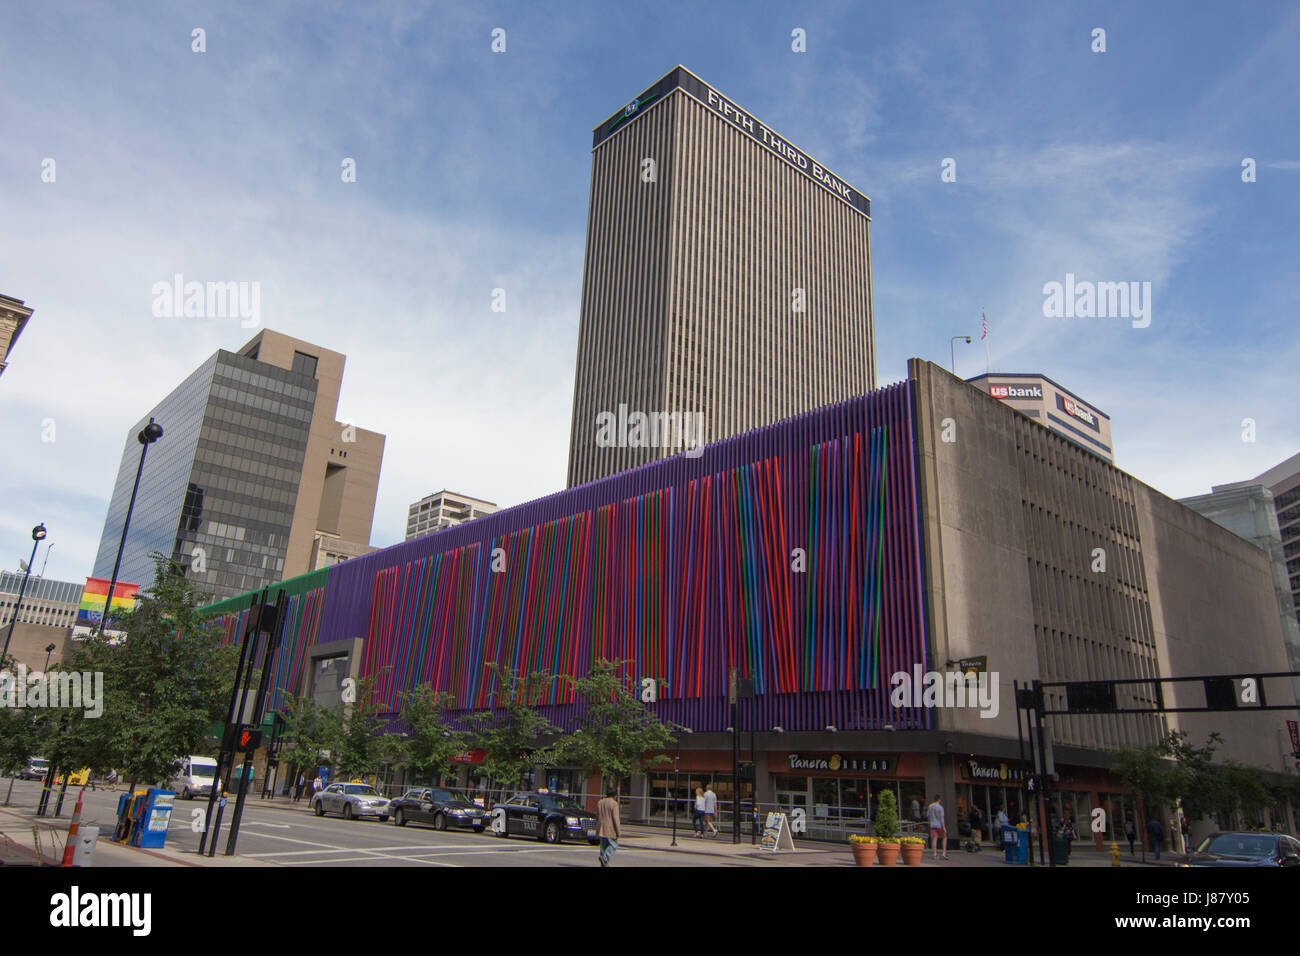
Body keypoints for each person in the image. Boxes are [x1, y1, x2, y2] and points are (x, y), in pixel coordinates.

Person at [597, 788, 621, 867]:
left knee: (603, 846)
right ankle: (604, 858)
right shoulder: (614, 804)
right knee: (613, 845)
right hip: (610, 829)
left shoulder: (600, 802)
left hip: (601, 827)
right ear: (614, 795)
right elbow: (616, 818)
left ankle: (604, 863)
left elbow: (597, 816)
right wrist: (618, 832)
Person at [927, 794, 947, 860]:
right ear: (939, 800)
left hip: (933, 825)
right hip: (939, 825)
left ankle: (934, 854)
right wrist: (944, 827)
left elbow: (928, 816)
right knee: (944, 837)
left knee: (934, 838)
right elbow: (942, 818)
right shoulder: (940, 807)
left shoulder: (930, 806)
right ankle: (944, 853)